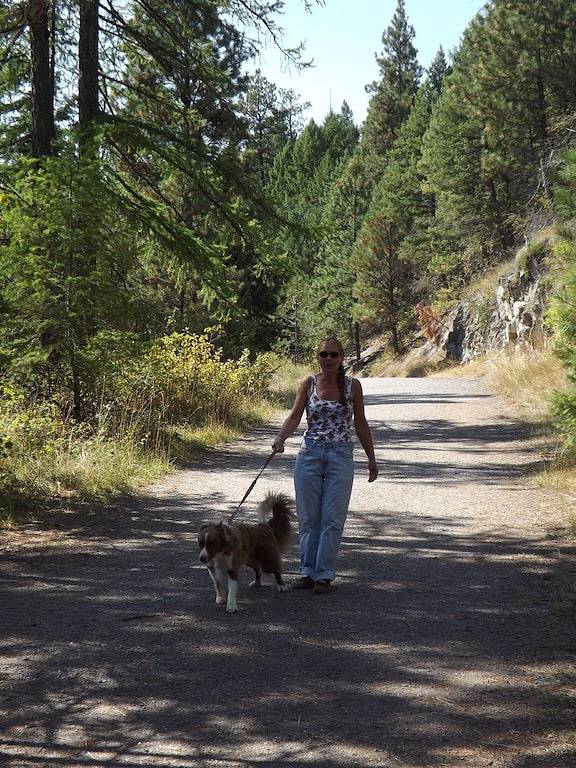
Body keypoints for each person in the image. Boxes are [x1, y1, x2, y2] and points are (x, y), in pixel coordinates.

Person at [272, 337, 378, 594]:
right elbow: (295, 415)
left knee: (332, 518)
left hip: (340, 456)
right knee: (308, 518)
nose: (328, 359)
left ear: (342, 358)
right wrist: (279, 439)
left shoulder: (353, 387)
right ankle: (307, 572)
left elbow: (361, 423)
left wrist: (371, 459)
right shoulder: (308, 384)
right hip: (309, 454)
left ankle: (324, 576)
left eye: (333, 355)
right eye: (324, 355)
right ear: (318, 357)